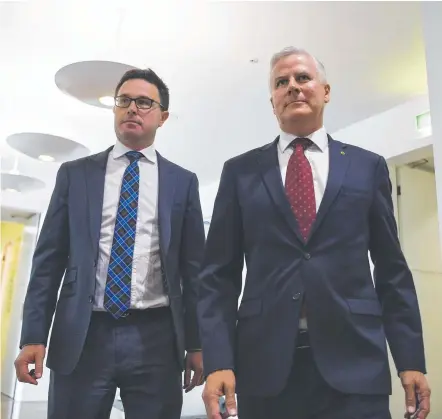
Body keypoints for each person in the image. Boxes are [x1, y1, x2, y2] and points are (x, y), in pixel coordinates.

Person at [197, 47, 431, 419]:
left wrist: (410, 359)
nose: (292, 87)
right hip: (265, 367)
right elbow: (217, 278)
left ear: (325, 91)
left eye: (303, 78)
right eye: (281, 82)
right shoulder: (240, 172)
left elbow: (391, 269)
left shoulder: (366, 167)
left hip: (355, 363)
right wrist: (218, 361)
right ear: (272, 102)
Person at [15, 68, 206, 419]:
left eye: (144, 102)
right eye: (124, 101)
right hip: (84, 333)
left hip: (157, 338)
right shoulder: (75, 175)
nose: (132, 108)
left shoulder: (183, 183)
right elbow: (48, 263)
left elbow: (194, 274)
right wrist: (33, 336)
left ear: (162, 116)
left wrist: (197, 343)